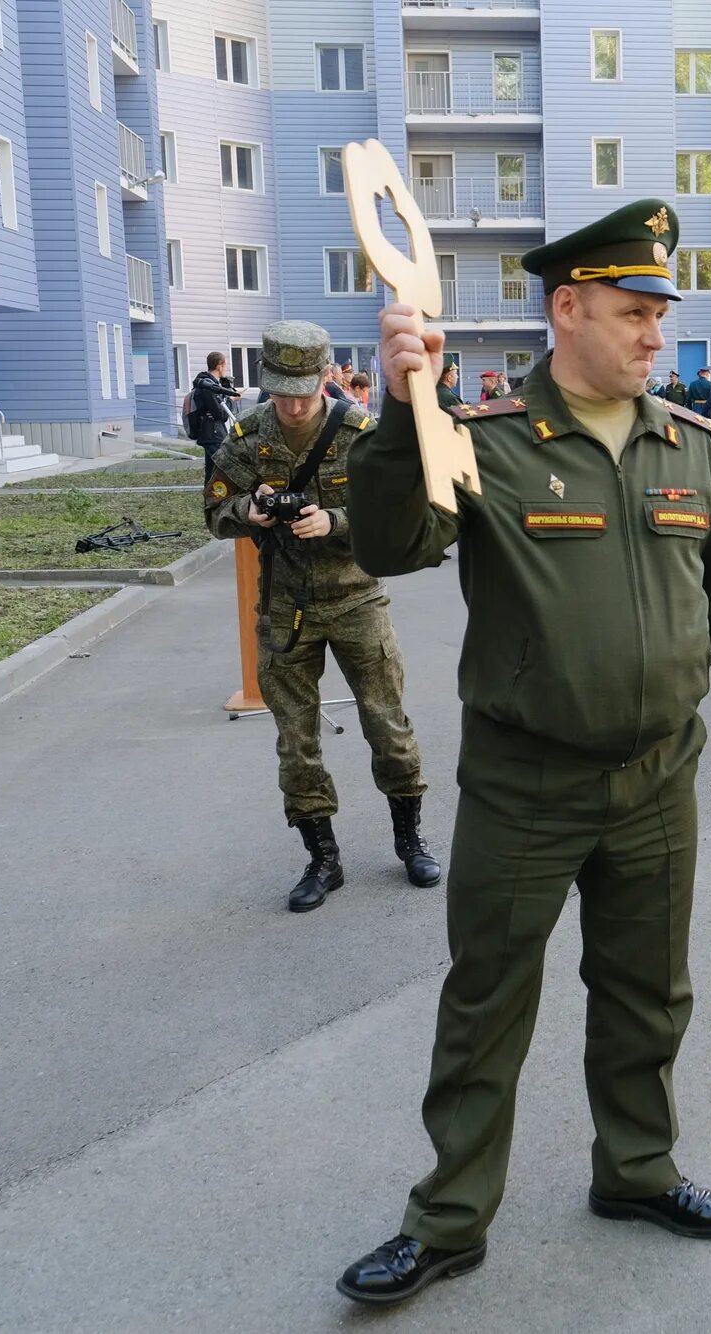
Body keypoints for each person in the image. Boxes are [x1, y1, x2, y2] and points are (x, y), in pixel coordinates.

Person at [340, 197, 711, 1308]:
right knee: (486, 999)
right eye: (634, 312)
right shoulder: (485, 443)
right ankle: (448, 1217)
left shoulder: (686, 443)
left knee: (647, 991)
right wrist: (406, 409)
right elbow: (389, 543)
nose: (654, 334)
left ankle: (635, 1169)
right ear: (567, 307)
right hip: (525, 784)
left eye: (659, 315)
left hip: (656, 778)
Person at [201, 321, 442, 914]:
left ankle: (409, 838)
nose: (291, 404)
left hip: (357, 598)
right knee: (296, 742)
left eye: (303, 392)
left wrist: (334, 521)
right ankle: (323, 857)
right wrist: (249, 512)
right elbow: (213, 511)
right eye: (281, 392)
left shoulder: (360, 433)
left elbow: (396, 513)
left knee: (388, 725)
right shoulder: (246, 437)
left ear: (327, 378)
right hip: (285, 606)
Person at [186, 351, 245, 483]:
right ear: (219, 366)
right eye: (225, 366)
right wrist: (231, 400)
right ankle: (217, 498)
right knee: (222, 466)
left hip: (211, 433)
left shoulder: (210, 384)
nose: (226, 369)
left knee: (212, 469)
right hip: (212, 433)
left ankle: (210, 499)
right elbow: (221, 414)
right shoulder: (208, 387)